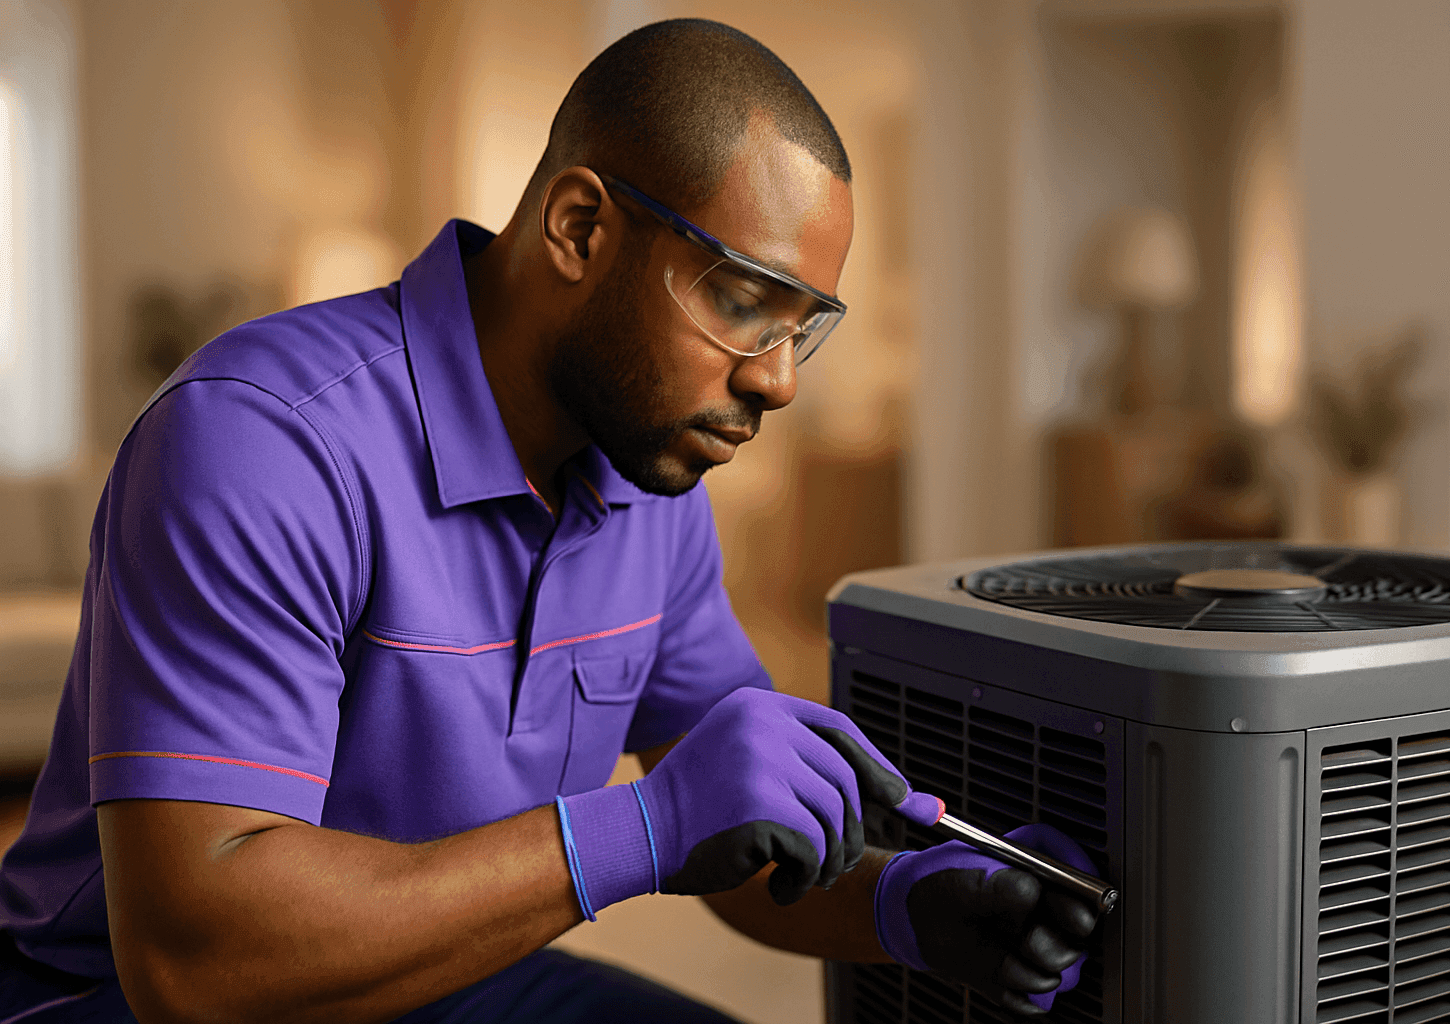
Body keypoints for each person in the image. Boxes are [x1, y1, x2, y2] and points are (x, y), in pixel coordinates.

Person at [0, 18, 1096, 1024]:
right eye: (742, 300)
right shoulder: (264, 443)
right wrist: (644, 828)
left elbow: (743, 834)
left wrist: (905, 901)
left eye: (801, 328)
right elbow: (199, 963)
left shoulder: (645, 485)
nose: (779, 382)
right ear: (579, 229)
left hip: (456, 976)